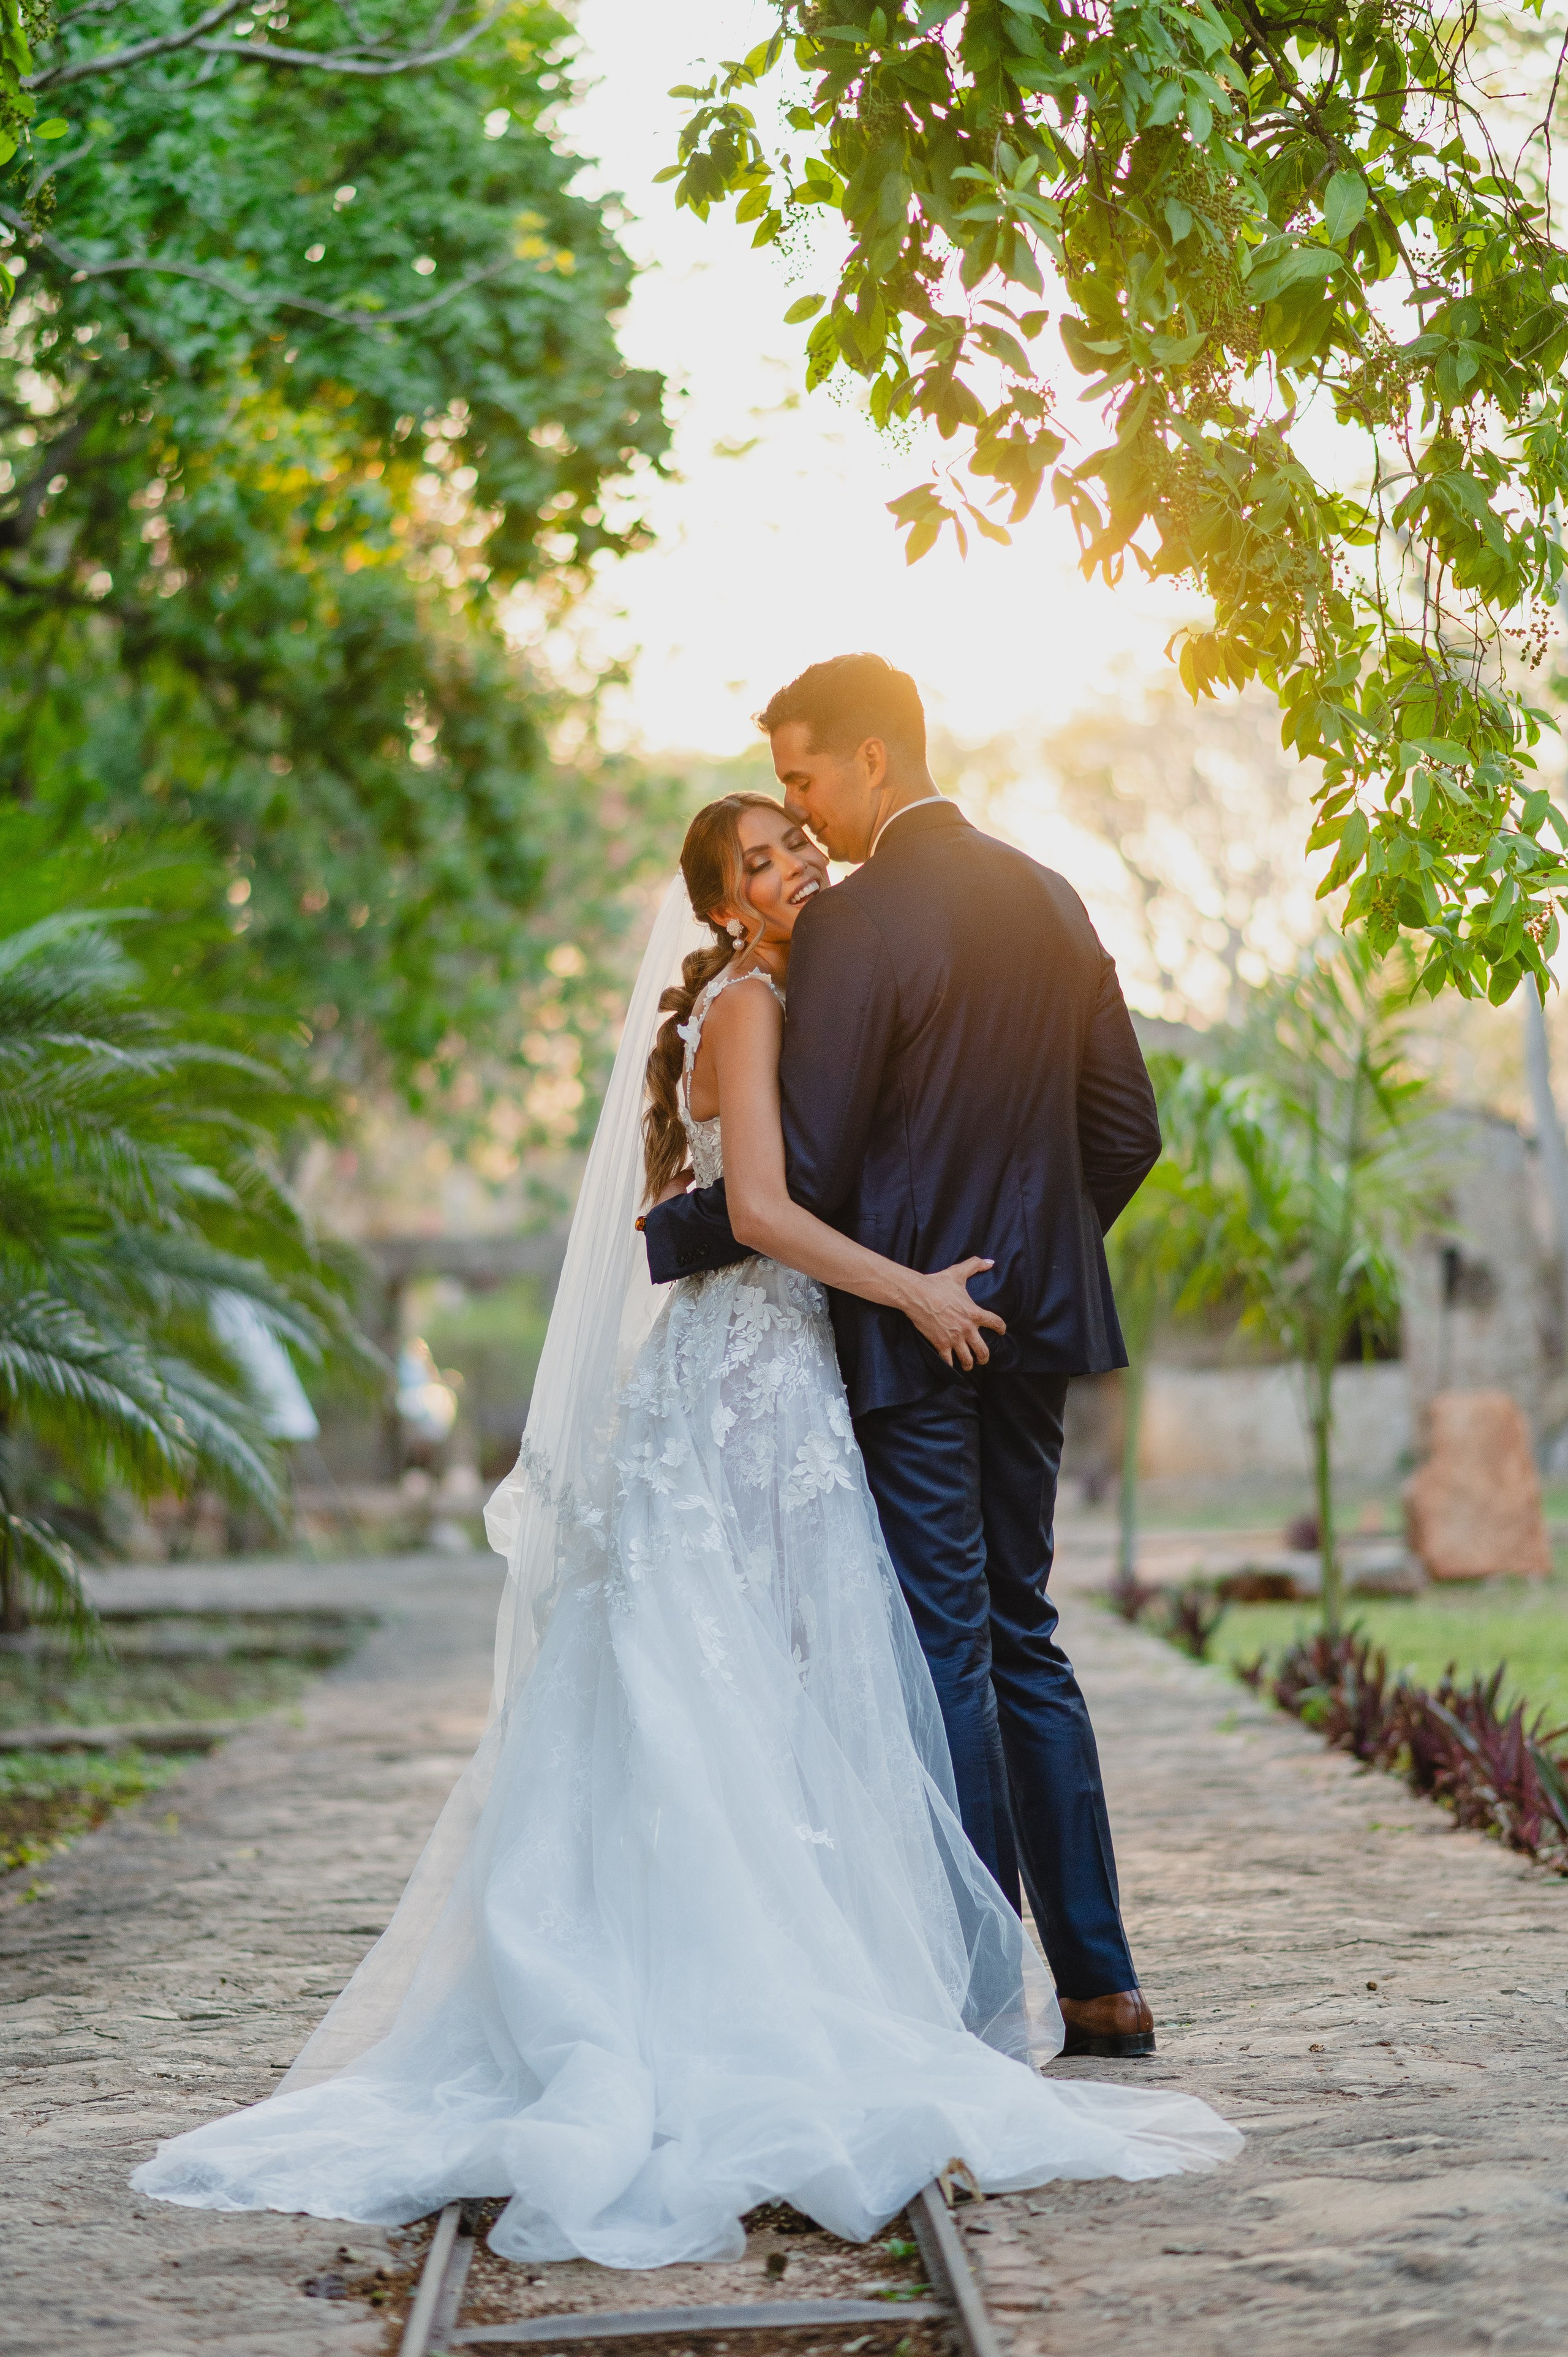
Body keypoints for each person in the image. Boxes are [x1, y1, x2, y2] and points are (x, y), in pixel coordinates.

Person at [130, 788, 1237, 2267]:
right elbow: (794, 1198)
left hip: (821, 1358)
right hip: (789, 1363)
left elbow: (775, 1184)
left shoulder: (793, 985)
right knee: (839, 1655)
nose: (794, 870)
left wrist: (824, 1251)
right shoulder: (769, 996)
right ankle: (936, 1989)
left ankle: (929, 1982)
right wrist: (925, 1279)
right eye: (761, 862)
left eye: (797, 844)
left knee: (845, 1659)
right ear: (721, 905)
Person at [641, 654, 1162, 2059]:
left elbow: (796, 1171)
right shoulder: (1052, 896)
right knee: (1026, 1632)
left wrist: (659, 1238)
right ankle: (1101, 1984)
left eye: (803, 781)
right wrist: (1031, 1266)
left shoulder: (862, 925)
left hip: (905, 1335)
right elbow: (1124, 1129)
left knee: (948, 1643)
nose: (801, 814)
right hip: (1033, 1326)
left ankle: (978, 1985)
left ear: (872, 761)